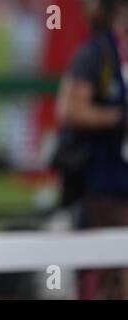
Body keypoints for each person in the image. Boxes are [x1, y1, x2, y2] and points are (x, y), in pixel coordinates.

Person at [56, 0, 128, 299]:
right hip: (107, 186)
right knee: (115, 274)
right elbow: (68, 110)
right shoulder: (97, 54)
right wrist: (120, 118)